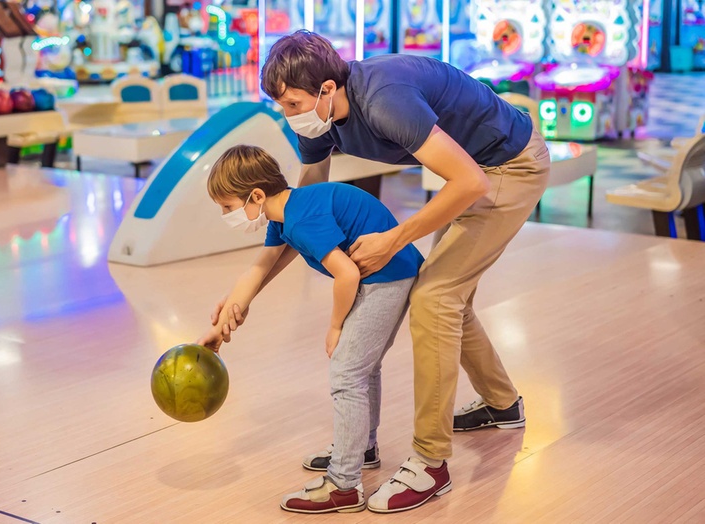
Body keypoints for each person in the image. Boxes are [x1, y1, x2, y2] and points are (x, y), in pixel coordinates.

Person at [205, 30, 550, 514]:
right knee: (448, 293)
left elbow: (469, 180)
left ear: (327, 89)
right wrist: (244, 295)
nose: (289, 115)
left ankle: (431, 462)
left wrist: (395, 237)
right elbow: (300, 210)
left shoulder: (385, 101)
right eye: (281, 105)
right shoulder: (317, 120)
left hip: (506, 164)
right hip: (470, 169)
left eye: (293, 103)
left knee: (434, 298)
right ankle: (501, 404)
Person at [199, 145, 425, 514]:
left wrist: (335, 326)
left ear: (256, 195)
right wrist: (221, 327)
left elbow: (347, 273)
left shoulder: (301, 218)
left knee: (347, 372)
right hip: (384, 275)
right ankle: (361, 449)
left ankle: (344, 485)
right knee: (361, 369)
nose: (226, 215)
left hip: (387, 278)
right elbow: (258, 270)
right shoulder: (286, 213)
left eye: (227, 207)